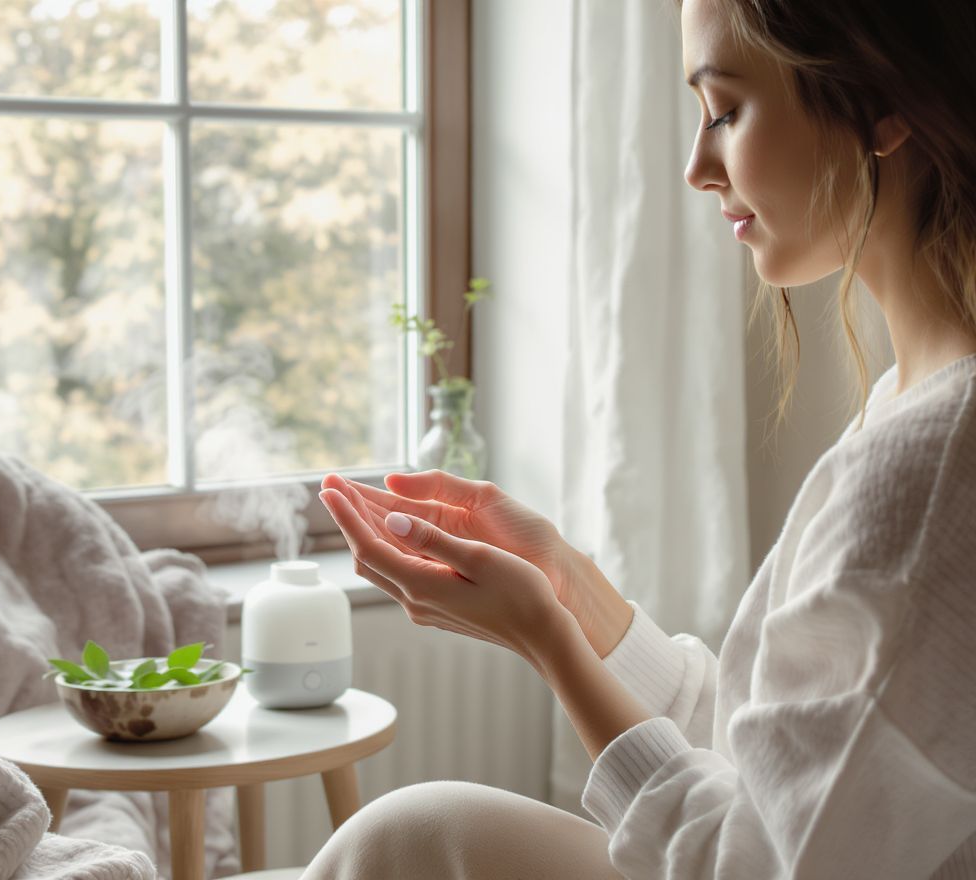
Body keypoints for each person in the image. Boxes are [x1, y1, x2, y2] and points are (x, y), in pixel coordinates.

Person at [304, 0, 976, 876]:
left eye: (726, 111)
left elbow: (759, 862)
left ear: (883, 98)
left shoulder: (934, 465)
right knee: (413, 831)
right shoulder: (908, 403)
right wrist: (573, 594)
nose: (699, 165)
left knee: (412, 834)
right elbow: (775, 761)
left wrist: (543, 637)